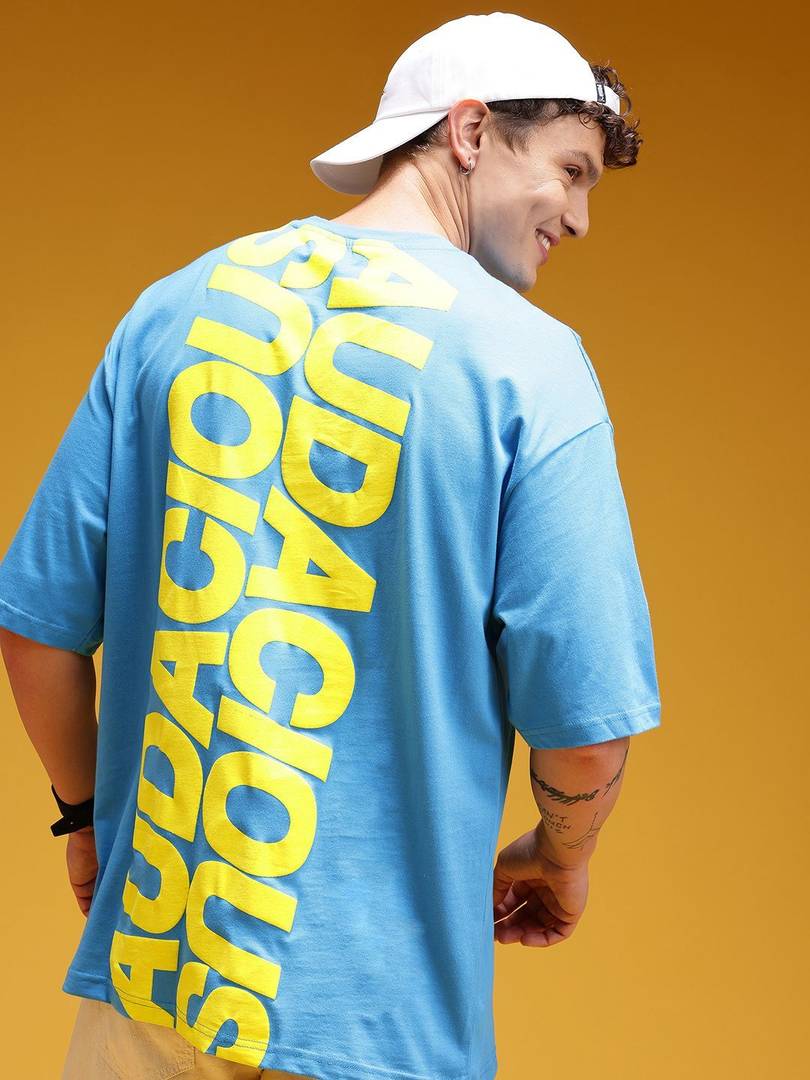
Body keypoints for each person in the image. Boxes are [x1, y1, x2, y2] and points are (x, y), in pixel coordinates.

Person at [0, 11, 662, 1080]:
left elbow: (35, 631)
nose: (580, 218)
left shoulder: (175, 310)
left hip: (153, 985)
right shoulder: (530, 368)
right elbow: (587, 733)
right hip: (377, 1028)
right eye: (571, 171)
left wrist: (87, 817)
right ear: (470, 131)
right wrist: (561, 854)